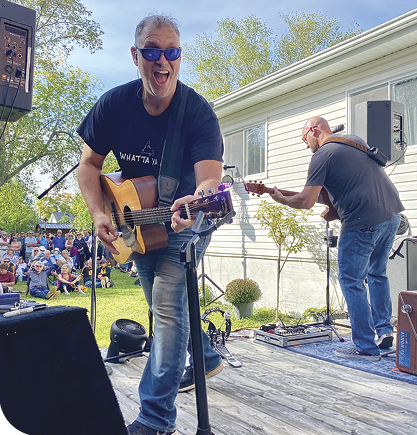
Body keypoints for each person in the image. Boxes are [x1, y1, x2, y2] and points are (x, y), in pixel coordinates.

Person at [76, 14, 224, 435]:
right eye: (152, 51)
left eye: (171, 51)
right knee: (166, 309)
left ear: (179, 55)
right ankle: (206, 356)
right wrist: (100, 213)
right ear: (135, 55)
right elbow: (89, 165)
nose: (163, 61)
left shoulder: (197, 112)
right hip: (137, 222)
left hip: (187, 218)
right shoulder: (114, 104)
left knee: (167, 308)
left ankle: (156, 418)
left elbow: (210, 180)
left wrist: (198, 199)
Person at [270, 116, 404, 361]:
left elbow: (306, 201)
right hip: (392, 216)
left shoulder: (322, 155)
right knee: (377, 273)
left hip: (362, 222)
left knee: (351, 281)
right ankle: (384, 332)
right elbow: (356, 183)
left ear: (314, 131)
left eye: (304, 138)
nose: (306, 145)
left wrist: (282, 199)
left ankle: (365, 347)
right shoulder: (354, 141)